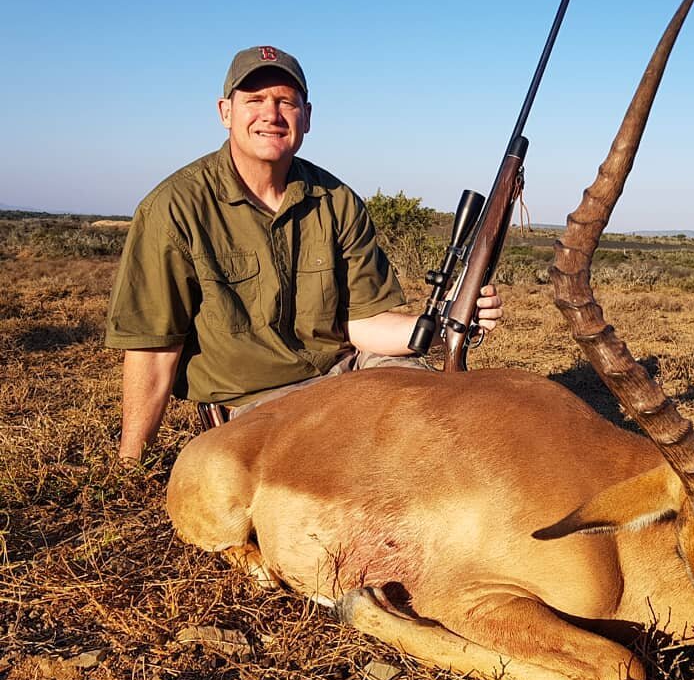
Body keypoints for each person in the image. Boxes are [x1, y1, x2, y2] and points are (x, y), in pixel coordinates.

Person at [105, 45, 502, 461]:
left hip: (351, 374)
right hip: (259, 403)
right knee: (367, 461)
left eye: (285, 102)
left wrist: (447, 322)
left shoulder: (338, 200)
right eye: (254, 101)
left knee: (450, 416)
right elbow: (153, 353)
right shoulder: (173, 208)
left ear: (306, 117)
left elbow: (364, 324)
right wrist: (130, 465)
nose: (271, 115)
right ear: (225, 112)